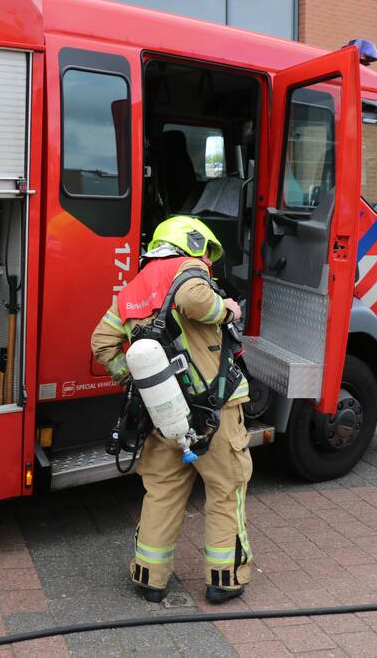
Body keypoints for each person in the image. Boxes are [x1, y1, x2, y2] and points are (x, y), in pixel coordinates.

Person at [90, 216, 252, 605]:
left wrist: (139, 382)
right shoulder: (188, 269)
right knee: (225, 490)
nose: (208, 263)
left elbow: (101, 343)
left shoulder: (131, 289)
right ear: (191, 243)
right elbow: (195, 300)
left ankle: (150, 577)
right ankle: (224, 579)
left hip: (163, 415)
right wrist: (228, 309)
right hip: (215, 412)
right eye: (206, 253)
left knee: (162, 492)